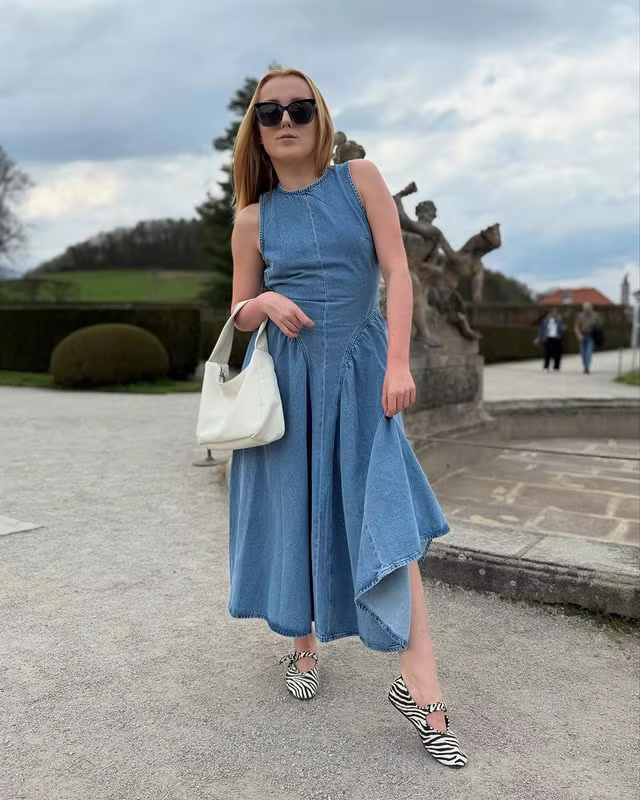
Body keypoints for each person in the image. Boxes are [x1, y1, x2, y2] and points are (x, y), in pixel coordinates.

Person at [226, 67, 467, 769]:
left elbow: (399, 271)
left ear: (320, 118)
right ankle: (302, 646)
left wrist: (398, 363)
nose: (286, 120)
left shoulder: (359, 179)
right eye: (270, 112)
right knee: (296, 510)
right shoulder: (251, 219)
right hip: (287, 384)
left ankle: (422, 693)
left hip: (363, 375)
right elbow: (239, 314)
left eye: (300, 108)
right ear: (256, 131)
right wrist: (263, 302)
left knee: (387, 519)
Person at [574, 301, 602, 374]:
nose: (587, 310)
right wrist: (578, 335)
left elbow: (599, 326)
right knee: (583, 353)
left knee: (588, 352)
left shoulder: (596, 315)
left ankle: (587, 367)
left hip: (591, 336)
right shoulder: (580, 316)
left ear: (591, 308)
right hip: (582, 335)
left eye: (588, 308)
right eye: (585, 309)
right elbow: (576, 326)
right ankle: (585, 365)